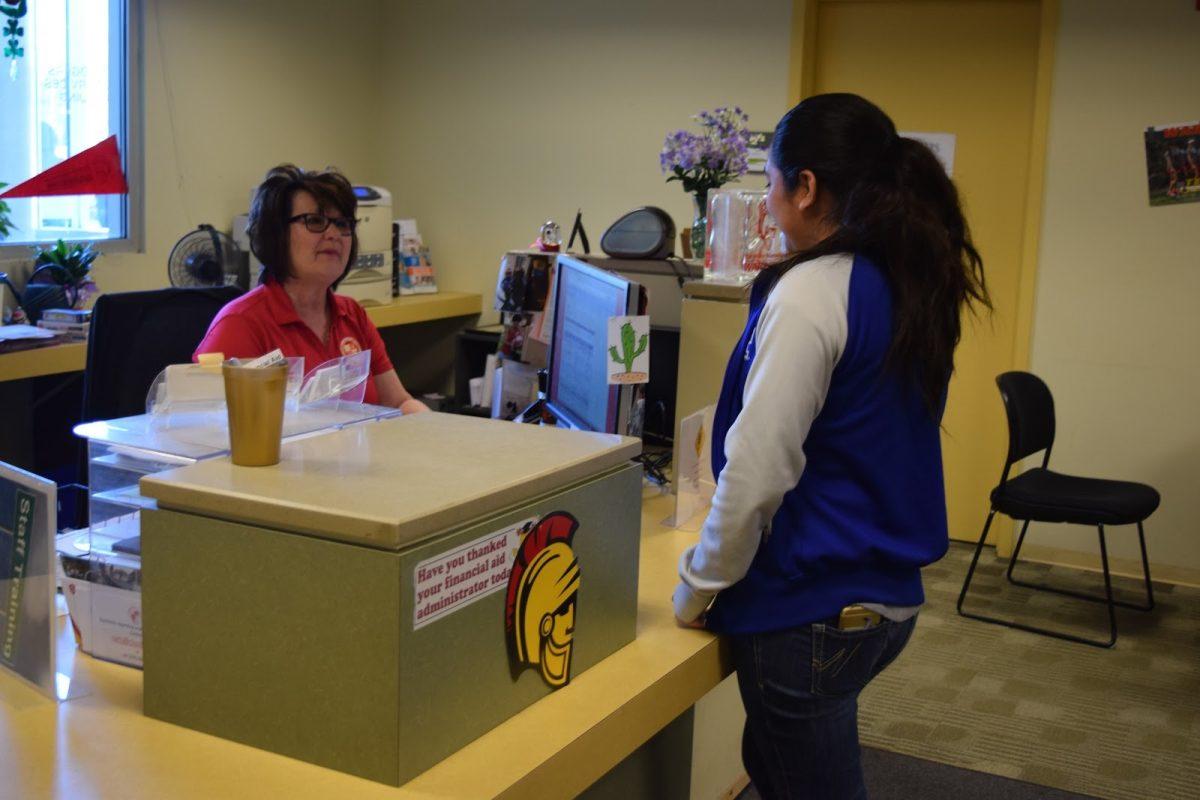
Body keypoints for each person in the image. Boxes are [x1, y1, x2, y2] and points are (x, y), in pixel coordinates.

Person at [672, 93, 990, 799]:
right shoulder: (898, 279)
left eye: (774, 181)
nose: (768, 199)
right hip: (883, 599)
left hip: (811, 612)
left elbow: (761, 468)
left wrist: (698, 585)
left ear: (806, 186)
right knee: (779, 763)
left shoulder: (813, 290)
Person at [195, 165, 428, 413]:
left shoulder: (353, 314)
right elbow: (216, 430)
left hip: (360, 449)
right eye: (315, 221)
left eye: (342, 223)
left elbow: (398, 402)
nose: (334, 234)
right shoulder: (239, 324)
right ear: (277, 234)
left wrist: (442, 435)